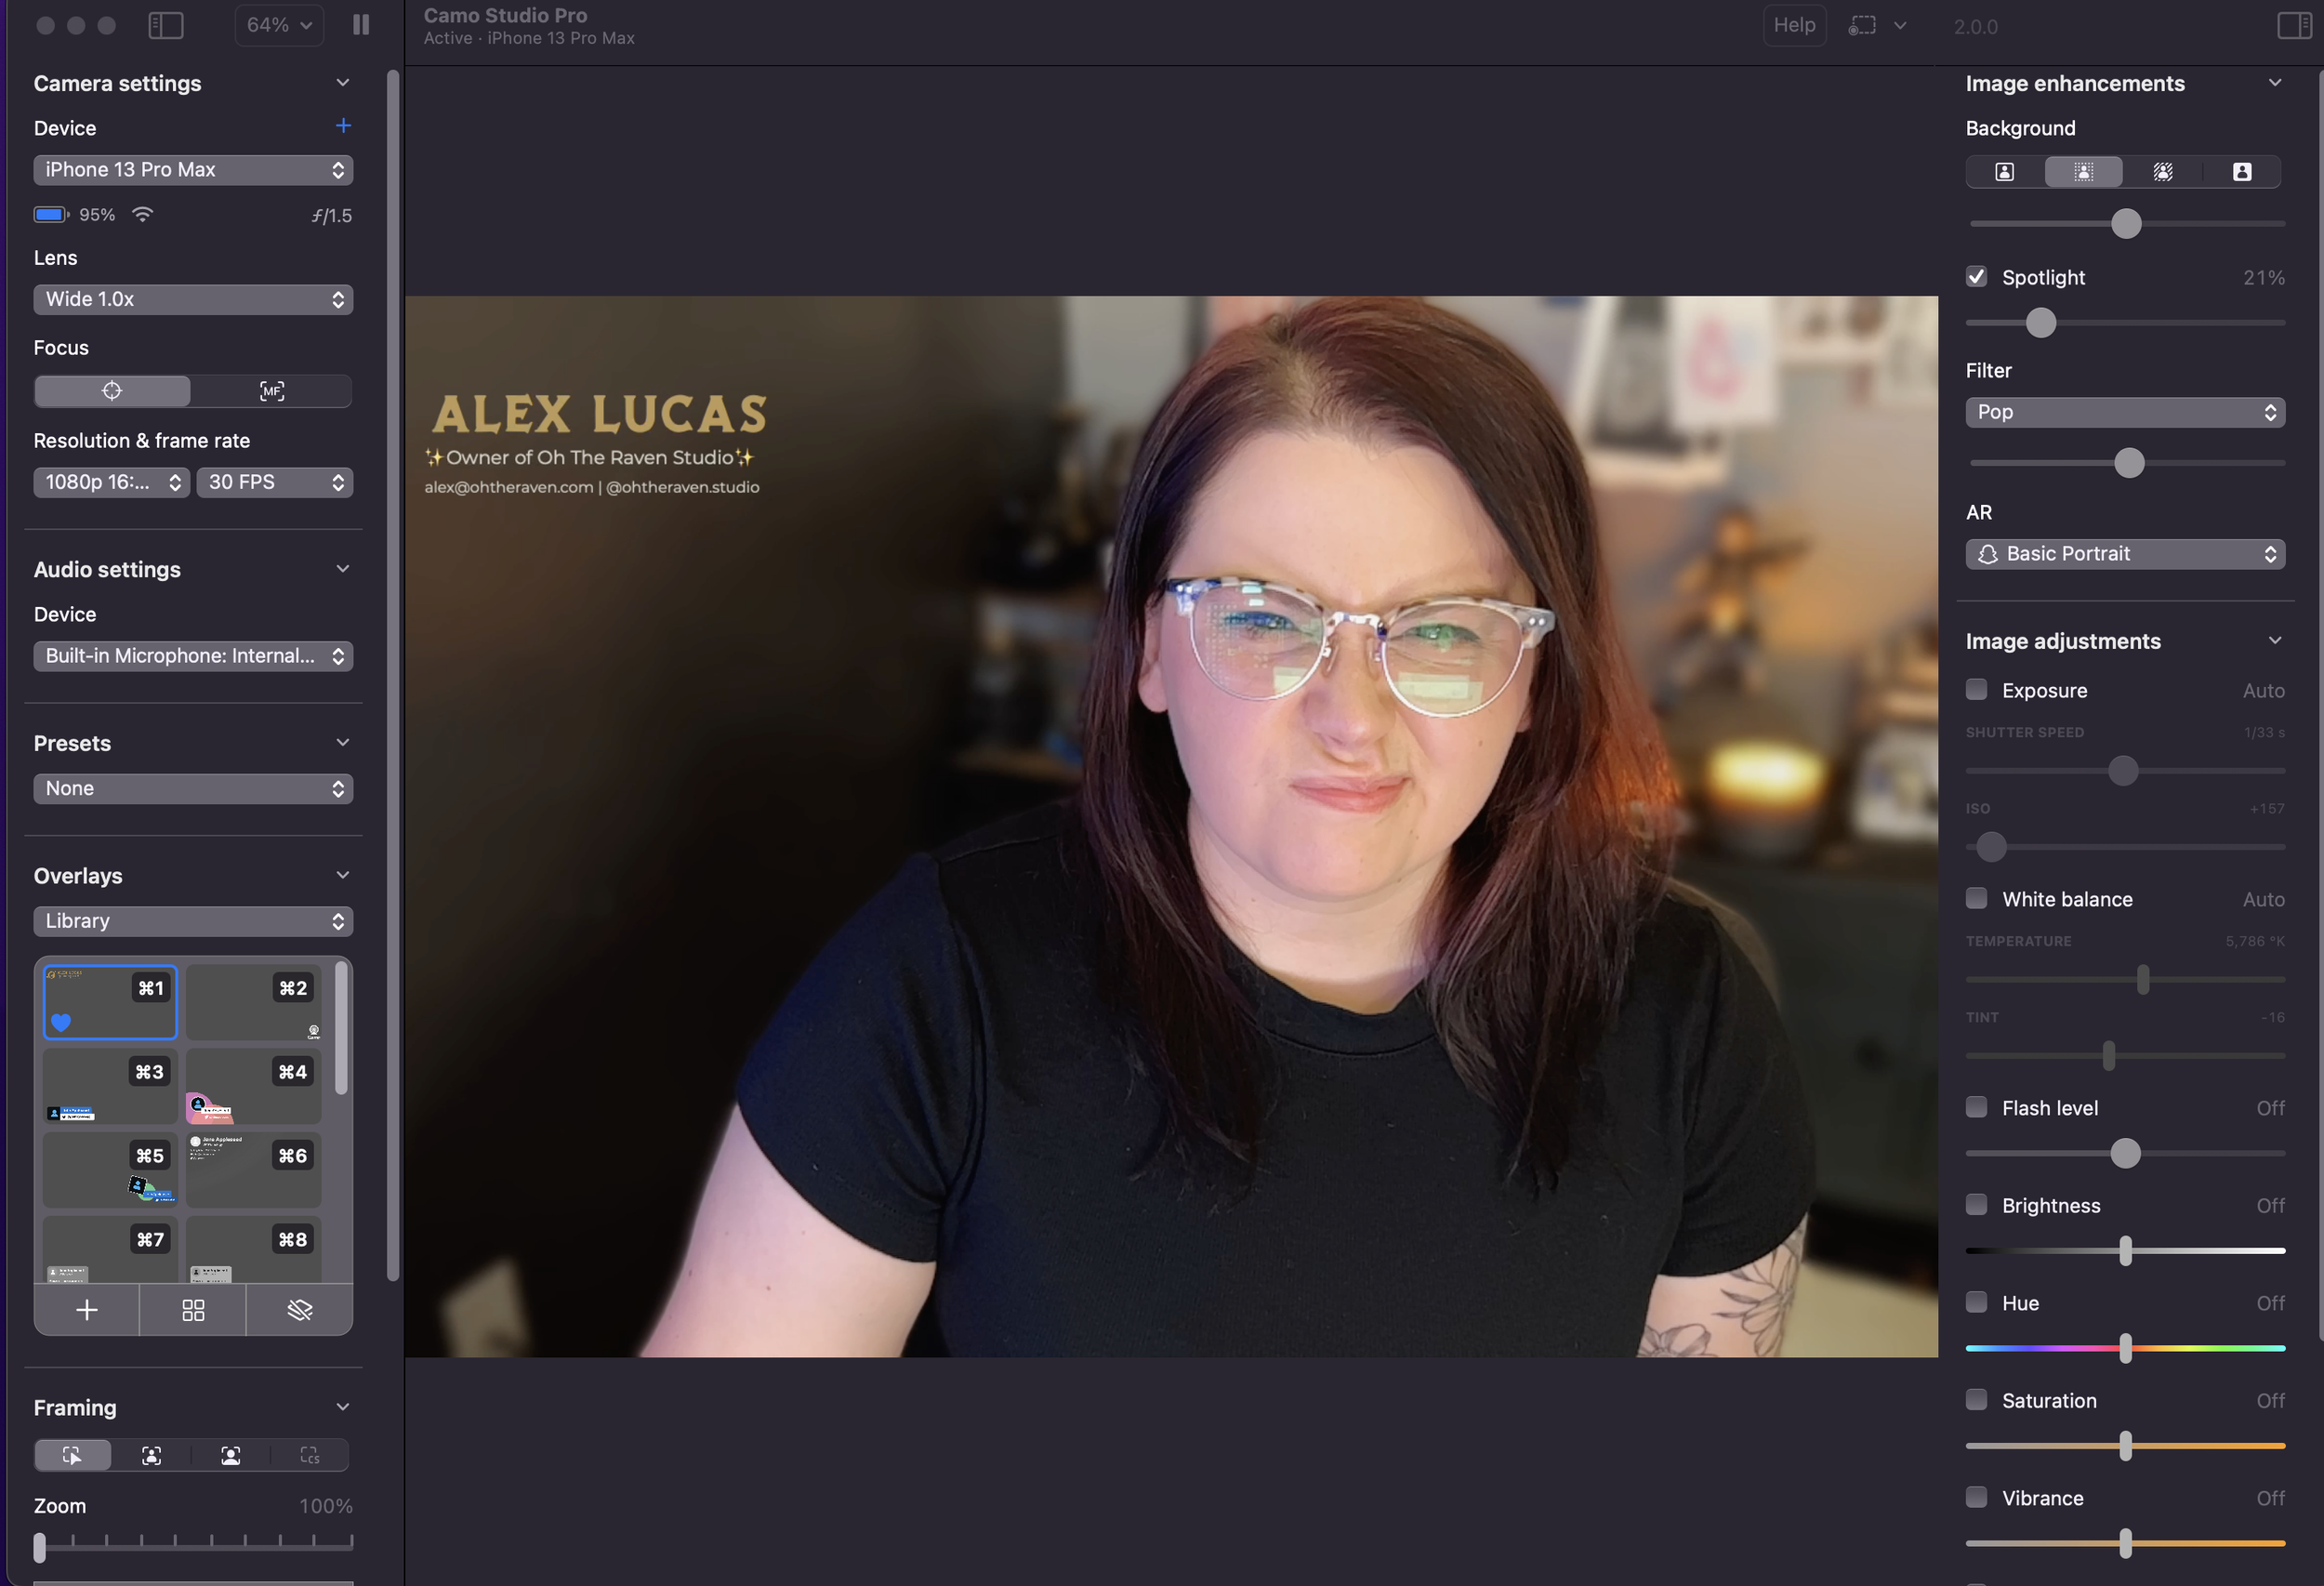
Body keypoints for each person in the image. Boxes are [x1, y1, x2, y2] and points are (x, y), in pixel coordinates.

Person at [643, 296, 1815, 1357]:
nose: (1350, 720)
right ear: (1149, 646)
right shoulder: (931, 990)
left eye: (1445, 629)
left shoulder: (1692, 1020)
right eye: (1261, 615)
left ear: (1533, 684)